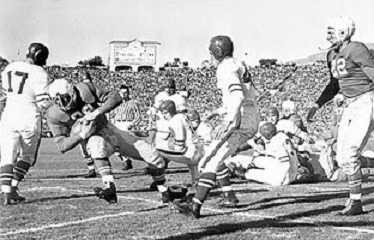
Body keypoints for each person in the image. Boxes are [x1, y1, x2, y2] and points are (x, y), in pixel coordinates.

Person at [172, 36, 259, 219]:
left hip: (239, 119)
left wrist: (228, 120)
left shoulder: (225, 67)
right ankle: (203, 203)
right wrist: (219, 111)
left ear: (218, 52)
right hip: (247, 116)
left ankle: (195, 205)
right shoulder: (236, 63)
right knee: (214, 160)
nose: (210, 56)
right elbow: (245, 96)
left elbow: (237, 97)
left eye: (211, 53)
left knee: (207, 162)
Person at [46, 78, 170, 204]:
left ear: (72, 92)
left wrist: (96, 113)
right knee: (97, 145)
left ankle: (165, 190)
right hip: (92, 136)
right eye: (58, 100)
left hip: (108, 129)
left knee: (151, 154)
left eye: (65, 98)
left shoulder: (84, 90)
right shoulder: (53, 113)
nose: (62, 103)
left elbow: (115, 97)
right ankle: (109, 187)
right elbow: (62, 145)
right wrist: (83, 134)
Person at [307, 16, 374, 215]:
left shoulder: (356, 49)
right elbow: (334, 84)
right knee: (343, 157)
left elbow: (372, 73)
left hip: (366, 100)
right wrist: (317, 104)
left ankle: (356, 203)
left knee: (350, 152)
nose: (329, 36)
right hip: (350, 104)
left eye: (332, 31)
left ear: (343, 32)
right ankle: (356, 199)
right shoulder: (331, 55)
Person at [0, 43, 50, 205]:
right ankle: (13, 187)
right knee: (27, 157)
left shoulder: (10, 66)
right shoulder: (40, 72)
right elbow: (43, 102)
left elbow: (5, 92)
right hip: (29, 116)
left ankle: (6, 192)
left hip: (9, 114)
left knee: (7, 156)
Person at [228, 122, 300, 186]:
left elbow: (284, 166)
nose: (262, 137)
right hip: (279, 164)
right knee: (251, 159)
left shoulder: (277, 143)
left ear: (268, 135)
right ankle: (233, 165)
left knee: (252, 173)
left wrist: (248, 173)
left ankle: (242, 173)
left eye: (263, 135)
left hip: (284, 174)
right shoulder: (280, 136)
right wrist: (253, 163)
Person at [111, 85, 142, 170]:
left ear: (128, 93)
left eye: (126, 93)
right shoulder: (116, 103)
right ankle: (126, 160)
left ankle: (147, 160)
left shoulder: (132, 103)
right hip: (117, 124)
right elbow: (111, 115)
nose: (124, 94)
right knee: (114, 145)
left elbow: (138, 116)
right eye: (122, 93)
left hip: (127, 124)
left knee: (130, 146)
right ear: (119, 93)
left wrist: (132, 124)